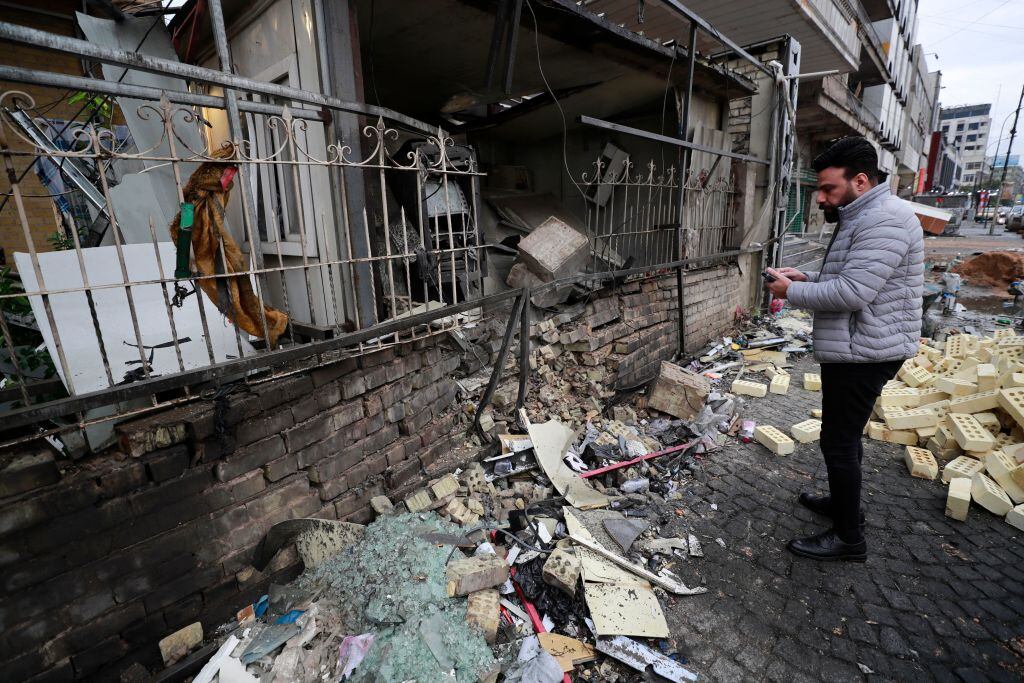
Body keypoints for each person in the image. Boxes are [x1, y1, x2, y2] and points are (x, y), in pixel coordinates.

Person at [764, 136, 924, 562]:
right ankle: (842, 506)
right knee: (843, 437)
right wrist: (806, 275)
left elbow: (854, 291)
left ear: (859, 180)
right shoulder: (863, 214)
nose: (820, 197)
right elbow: (850, 271)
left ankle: (849, 538)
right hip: (860, 344)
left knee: (838, 441)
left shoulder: (884, 219)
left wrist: (791, 291)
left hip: (866, 350)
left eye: (828, 189)